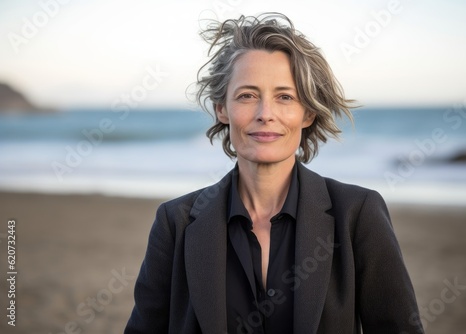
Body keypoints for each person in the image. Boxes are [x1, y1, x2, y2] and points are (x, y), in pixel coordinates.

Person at [125, 13, 424, 334]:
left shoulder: (357, 213)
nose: (265, 114)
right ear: (221, 109)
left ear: (308, 112)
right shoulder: (176, 222)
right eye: (247, 95)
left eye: (285, 97)